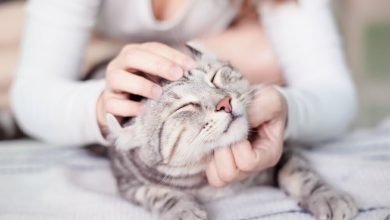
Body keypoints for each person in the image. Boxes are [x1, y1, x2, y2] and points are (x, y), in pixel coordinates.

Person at [10, 0, 356, 187]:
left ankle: (101, 50)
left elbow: (338, 96)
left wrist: (285, 105)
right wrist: (103, 106)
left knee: (261, 54)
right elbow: (30, 96)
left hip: (109, 64)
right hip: (94, 67)